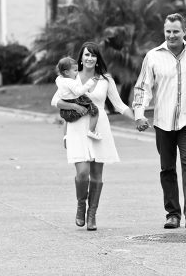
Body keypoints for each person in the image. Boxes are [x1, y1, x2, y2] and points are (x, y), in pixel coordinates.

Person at [133, 12, 186, 230]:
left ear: (184, 32)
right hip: (163, 123)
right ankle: (172, 214)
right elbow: (143, 87)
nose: (171, 35)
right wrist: (140, 113)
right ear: (164, 32)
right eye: (168, 31)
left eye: (176, 31)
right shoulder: (153, 56)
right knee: (167, 168)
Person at [51, 41, 135, 231]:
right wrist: (74, 107)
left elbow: (120, 105)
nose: (89, 58)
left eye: (93, 55)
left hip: (99, 129)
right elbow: (57, 101)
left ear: (98, 59)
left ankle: (92, 214)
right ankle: (81, 206)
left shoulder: (106, 80)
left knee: (97, 175)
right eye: (86, 55)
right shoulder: (71, 79)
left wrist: (137, 119)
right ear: (81, 58)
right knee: (82, 173)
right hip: (76, 129)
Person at [55, 56, 102, 140]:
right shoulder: (70, 82)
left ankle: (66, 136)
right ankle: (92, 131)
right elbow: (78, 92)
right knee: (94, 110)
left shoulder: (59, 79)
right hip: (76, 100)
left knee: (70, 116)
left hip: (66, 100)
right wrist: (90, 82)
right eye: (75, 70)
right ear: (66, 72)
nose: (77, 73)